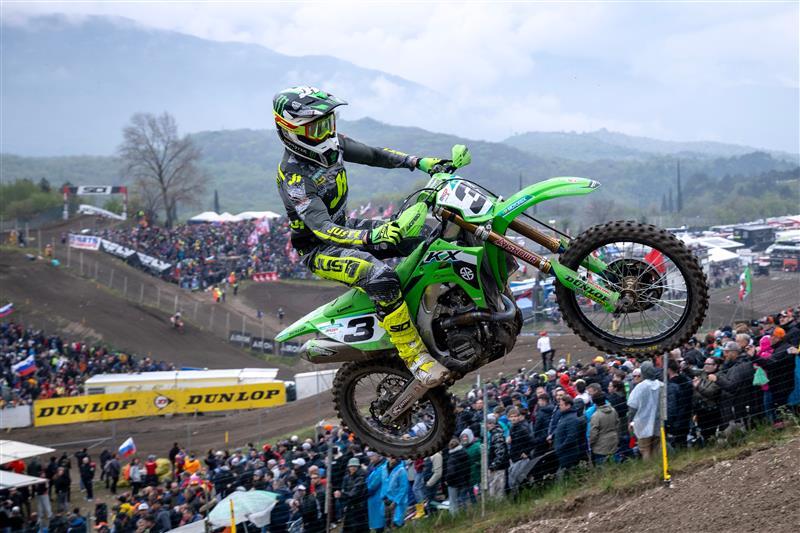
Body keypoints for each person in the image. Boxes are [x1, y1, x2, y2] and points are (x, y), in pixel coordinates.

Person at [273, 86, 450, 387]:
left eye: (329, 122)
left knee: (428, 234)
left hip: (346, 225)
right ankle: (414, 356)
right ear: (292, 131)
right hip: (320, 249)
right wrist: (373, 236)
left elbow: (374, 155)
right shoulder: (295, 178)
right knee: (380, 276)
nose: (326, 131)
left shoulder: (333, 144)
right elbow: (322, 228)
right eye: (317, 127)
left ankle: (444, 311)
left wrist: (418, 162)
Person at [627, 361, 663, 460]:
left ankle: (649, 468)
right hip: (658, 421)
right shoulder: (661, 385)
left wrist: (630, 421)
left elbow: (632, 406)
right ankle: (656, 466)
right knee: (656, 448)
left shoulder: (640, 387)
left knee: (645, 449)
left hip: (642, 422)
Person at [553, 395, 584, 474]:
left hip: (569, 454)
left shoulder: (572, 419)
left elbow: (571, 437)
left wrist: (560, 448)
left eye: (561, 405)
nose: (559, 407)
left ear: (568, 405)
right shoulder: (564, 416)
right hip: (563, 454)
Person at [588, 391, 619, 465]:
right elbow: (617, 424)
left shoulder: (596, 416)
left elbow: (593, 433)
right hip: (613, 441)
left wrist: (590, 443)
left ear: (594, 403)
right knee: (614, 464)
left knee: (602, 467)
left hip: (600, 446)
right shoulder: (613, 410)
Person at [338, 458, 368, 532]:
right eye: (351, 466)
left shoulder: (361, 477)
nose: (352, 468)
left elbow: (354, 493)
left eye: (355, 466)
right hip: (349, 506)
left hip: (359, 507)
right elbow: (343, 489)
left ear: (358, 467)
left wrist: (342, 494)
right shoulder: (346, 477)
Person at [486, 414, 509, 499]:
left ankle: (499, 505)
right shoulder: (493, 433)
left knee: (498, 492)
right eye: (486, 423)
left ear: (493, 424)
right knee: (494, 490)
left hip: (499, 468)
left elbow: (500, 452)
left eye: (489, 423)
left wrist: (493, 465)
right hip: (496, 467)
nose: (487, 426)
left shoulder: (497, 434)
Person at [366, 453, 388, 532]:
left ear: (379, 456)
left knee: (379, 521)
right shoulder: (376, 466)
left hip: (377, 497)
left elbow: (374, 484)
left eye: (372, 456)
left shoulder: (381, 468)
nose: (370, 457)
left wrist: (365, 491)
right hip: (374, 497)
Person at [384, 457, 408, 528]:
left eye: (393, 458)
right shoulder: (386, 469)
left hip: (397, 502)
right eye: (389, 457)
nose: (390, 459)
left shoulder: (401, 470)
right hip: (388, 500)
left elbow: (403, 488)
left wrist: (395, 501)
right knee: (388, 525)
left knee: (397, 524)